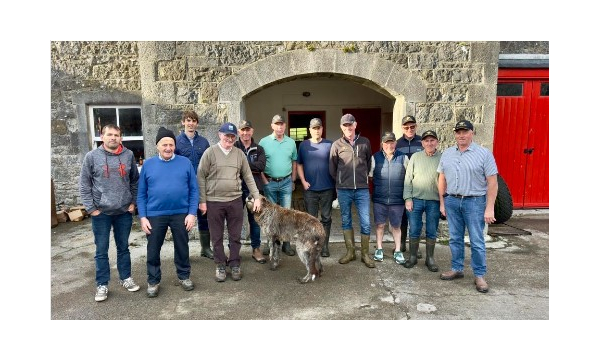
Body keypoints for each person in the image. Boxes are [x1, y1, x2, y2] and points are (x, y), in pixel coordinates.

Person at [80, 124, 141, 302]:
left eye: (116, 135)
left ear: (120, 137)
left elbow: (135, 182)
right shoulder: (91, 157)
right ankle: (102, 284)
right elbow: (85, 184)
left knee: (123, 248)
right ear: (102, 136)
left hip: (123, 211)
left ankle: (126, 278)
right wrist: (91, 208)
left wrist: (133, 203)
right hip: (102, 213)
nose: (113, 137)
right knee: (101, 250)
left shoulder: (128, 155)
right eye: (109, 135)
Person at [437, 120, 498, 293]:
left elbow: (492, 183)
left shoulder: (484, 154)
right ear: (455, 134)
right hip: (452, 201)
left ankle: (479, 275)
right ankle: (457, 268)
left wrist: (490, 207)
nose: (461, 135)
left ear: (472, 133)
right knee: (455, 238)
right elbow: (442, 178)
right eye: (458, 132)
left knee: (476, 240)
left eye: (465, 132)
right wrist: (443, 202)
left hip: (475, 202)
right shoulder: (447, 154)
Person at [137, 127, 198, 298]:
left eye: (171, 144)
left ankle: (184, 276)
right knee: (153, 249)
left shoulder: (185, 163)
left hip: (181, 213)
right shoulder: (148, 165)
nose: (168, 148)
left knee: (182, 247)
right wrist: (142, 217)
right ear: (157, 146)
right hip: (155, 214)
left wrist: (192, 213)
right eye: (164, 144)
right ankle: (153, 281)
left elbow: (194, 190)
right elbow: (141, 194)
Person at [198, 122, 262, 282]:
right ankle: (220, 264)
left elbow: (248, 177)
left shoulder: (240, 154)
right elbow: (200, 176)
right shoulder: (210, 152)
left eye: (233, 136)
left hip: (234, 200)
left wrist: (257, 197)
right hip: (214, 202)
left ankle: (234, 263)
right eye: (227, 135)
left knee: (235, 235)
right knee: (216, 236)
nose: (230, 138)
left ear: (236, 137)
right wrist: (202, 201)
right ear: (220, 135)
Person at [329, 113, 375, 268]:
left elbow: (368, 163)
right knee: (346, 220)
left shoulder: (365, 142)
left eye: (350, 125)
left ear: (355, 125)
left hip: (362, 189)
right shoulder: (336, 145)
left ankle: (365, 254)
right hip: (344, 190)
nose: (348, 128)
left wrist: (362, 177)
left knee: (366, 222)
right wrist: (341, 181)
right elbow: (332, 168)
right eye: (345, 125)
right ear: (341, 127)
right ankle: (350, 252)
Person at [174, 110, 213, 259]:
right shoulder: (177, 142)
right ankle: (184, 252)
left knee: (204, 216)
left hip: (202, 185)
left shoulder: (204, 142)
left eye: (193, 121)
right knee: (184, 219)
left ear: (197, 123)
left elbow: (210, 163)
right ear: (183, 122)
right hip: (184, 187)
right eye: (188, 120)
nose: (190, 123)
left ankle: (205, 248)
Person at [259, 114, 298, 257]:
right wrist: (264, 180)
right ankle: (271, 243)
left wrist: (293, 178)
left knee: (286, 215)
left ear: (285, 126)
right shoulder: (264, 142)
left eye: (282, 124)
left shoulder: (291, 142)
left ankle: (286, 244)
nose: (280, 126)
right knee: (270, 216)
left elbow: (294, 161)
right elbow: (260, 164)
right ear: (272, 126)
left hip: (286, 182)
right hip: (270, 183)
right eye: (277, 124)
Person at [403, 130, 442, 271]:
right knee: (414, 230)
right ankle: (413, 257)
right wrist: (408, 198)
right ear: (422, 143)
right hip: (416, 200)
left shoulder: (442, 158)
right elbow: (408, 179)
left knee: (432, 231)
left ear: (437, 142)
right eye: (426, 141)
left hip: (434, 201)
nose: (429, 143)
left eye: (432, 140)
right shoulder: (415, 157)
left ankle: (430, 259)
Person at [297, 118, 335, 257]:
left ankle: (324, 247)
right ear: (310, 130)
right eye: (314, 128)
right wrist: (302, 181)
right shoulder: (303, 145)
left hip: (327, 188)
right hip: (310, 189)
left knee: (326, 218)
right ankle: (313, 246)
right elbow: (299, 164)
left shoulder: (330, 144)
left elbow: (336, 164)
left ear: (322, 129)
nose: (316, 130)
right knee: (311, 220)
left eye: (318, 128)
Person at [369, 131, 408, 265]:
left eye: (392, 142)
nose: (389, 145)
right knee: (380, 225)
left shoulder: (403, 158)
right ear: (382, 144)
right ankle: (379, 248)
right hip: (380, 199)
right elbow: (370, 175)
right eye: (386, 143)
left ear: (395, 143)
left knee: (396, 226)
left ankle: (397, 250)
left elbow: (409, 178)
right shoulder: (375, 157)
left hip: (398, 200)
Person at [234, 120, 267, 264]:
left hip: (255, 188)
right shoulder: (234, 147)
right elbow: (233, 166)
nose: (245, 133)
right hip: (237, 188)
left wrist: (244, 166)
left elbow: (261, 166)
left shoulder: (258, 149)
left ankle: (256, 249)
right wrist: (249, 167)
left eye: (248, 130)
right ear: (238, 132)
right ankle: (234, 251)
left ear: (252, 131)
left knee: (255, 221)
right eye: (243, 130)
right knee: (235, 219)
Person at [396, 115, 424, 258]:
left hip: (418, 186)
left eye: (412, 126)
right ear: (402, 128)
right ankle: (401, 243)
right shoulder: (397, 144)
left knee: (415, 218)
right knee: (402, 218)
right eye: (406, 127)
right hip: (402, 185)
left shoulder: (422, 142)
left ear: (416, 126)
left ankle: (415, 246)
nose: (410, 129)